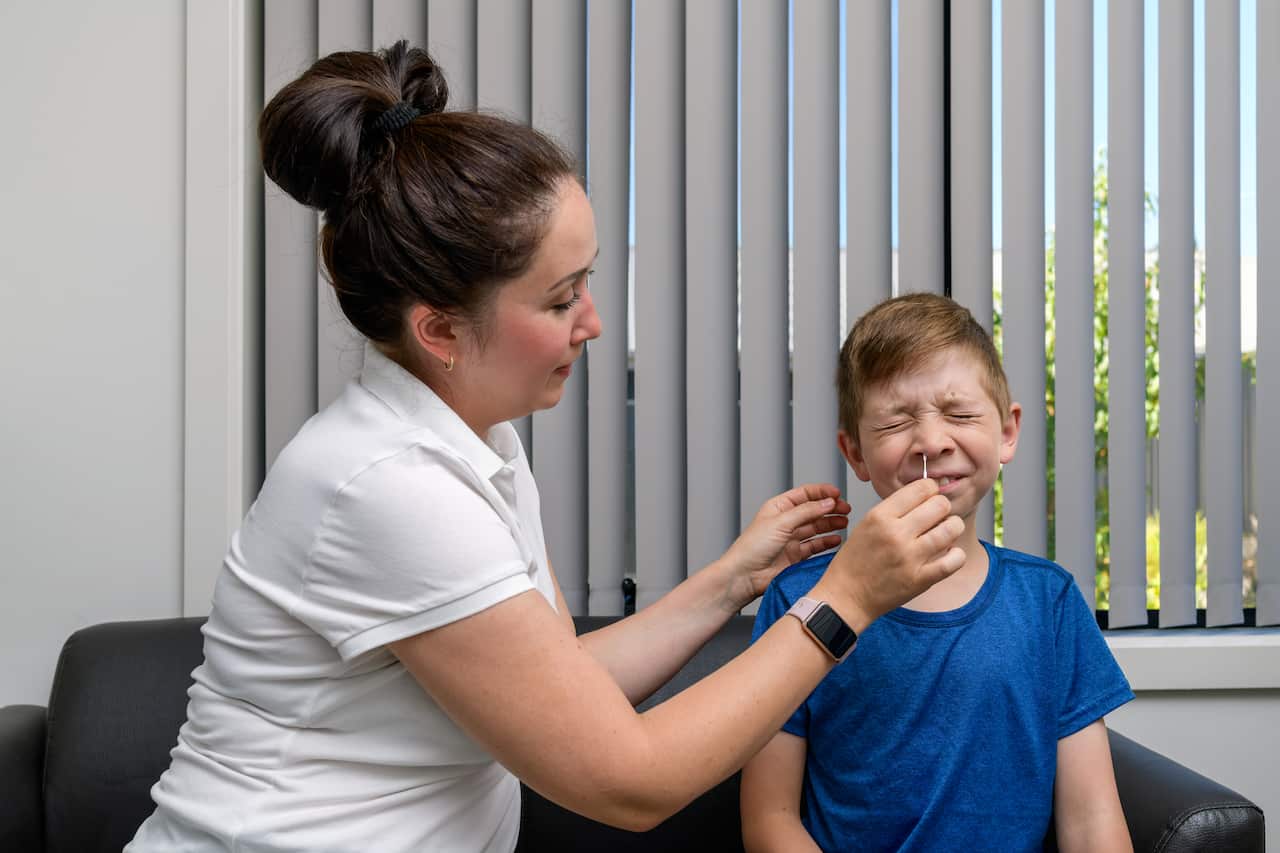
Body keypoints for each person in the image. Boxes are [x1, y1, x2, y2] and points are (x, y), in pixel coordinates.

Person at [126, 43, 968, 853]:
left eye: (589, 282)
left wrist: (733, 581)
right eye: (563, 299)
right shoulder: (389, 487)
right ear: (441, 330)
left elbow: (563, 683)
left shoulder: (476, 438)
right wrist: (849, 598)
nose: (593, 323)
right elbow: (628, 781)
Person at [739, 292, 1135, 852]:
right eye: (897, 421)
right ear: (854, 453)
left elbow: (1093, 821)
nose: (931, 442)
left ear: (1006, 432)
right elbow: (769, 820)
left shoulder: (1049, 603)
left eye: (960, 413)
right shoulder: (799, 600)